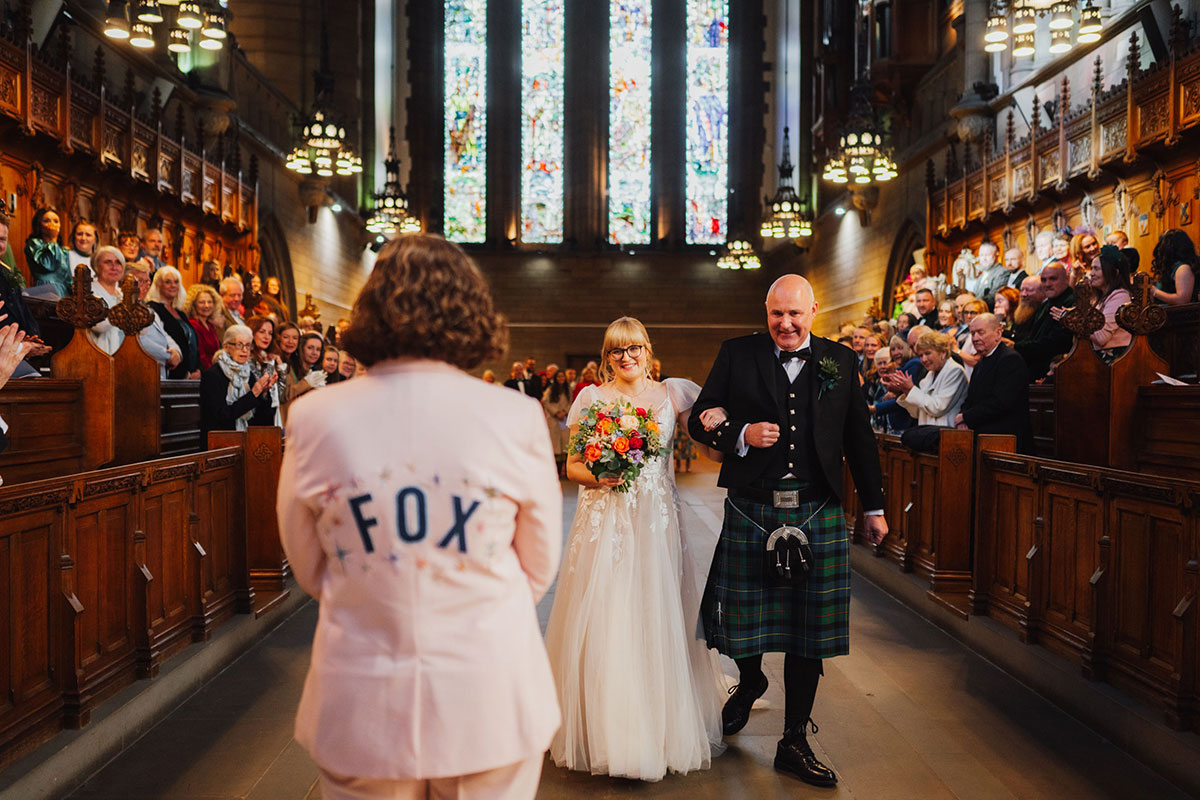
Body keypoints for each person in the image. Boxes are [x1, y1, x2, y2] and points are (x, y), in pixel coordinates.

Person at [277, 233, 561, 800]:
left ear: (369, 310)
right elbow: (538, 563)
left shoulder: (314, 415)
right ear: (471, 312)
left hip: (363, 694)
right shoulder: (515, 415)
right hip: (488, 689)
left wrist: (376, 582)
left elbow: (308, 565)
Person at [687, 275, 887, 787]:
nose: (786, 324)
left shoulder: (839, 360)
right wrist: (740, 435)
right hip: (754, 507)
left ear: (813, 310)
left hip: (816, 510)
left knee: (808, 633)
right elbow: (698, 422)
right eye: (777, 314)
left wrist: (874, 507)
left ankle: (794, 739)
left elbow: (859, 439)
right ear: (766, 311)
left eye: (796, 314)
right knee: (741, 620)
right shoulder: (737, 353)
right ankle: (750, 679)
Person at [545, 316, 724, 782]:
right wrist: (598, 476)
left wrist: (726, 428)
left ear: (648, 349)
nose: (626, 358)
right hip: (605, 521)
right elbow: (573, 469)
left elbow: (710, 448)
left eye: (633, 349)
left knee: (655, 613)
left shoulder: (675, 394)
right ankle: (607, 730)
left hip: (656, 522)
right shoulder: (592, 398)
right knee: (607, 612)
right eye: (616, 351)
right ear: (606, 358)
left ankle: (657, 725)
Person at [956, 314, 1033, 454]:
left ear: (998, 333)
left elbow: (1001, 403)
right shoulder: (981, 363)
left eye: (981, 332)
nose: (975, 338)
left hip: (1005, 439)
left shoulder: (1010, 360)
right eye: (972, 333)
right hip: (982, 434)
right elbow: (970, 398)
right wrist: (963, 418)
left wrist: (966, 417)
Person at [198, 324, 277, 441]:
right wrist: (253, 394)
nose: (245, 350)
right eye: (239, 345)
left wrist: (264, 394)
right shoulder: (213, 375)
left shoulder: (249, 374)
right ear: (226, 347)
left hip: (246, 441)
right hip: (219, 443)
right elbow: (221, 416)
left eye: (248, 345)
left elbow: (263, 420)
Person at [885, 330, 969, 431]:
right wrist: (904, 391)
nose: (924, 359)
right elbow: (917, 412)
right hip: (927, 433)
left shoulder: (955, 371)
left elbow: (937, 408)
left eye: (928, 353)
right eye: (920, 355)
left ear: (942, 352)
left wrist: (911, 389)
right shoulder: (929, 375)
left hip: (945, 435)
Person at [1014, 262, 1075, 381]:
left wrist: (1015, 346)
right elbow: (1034, 338)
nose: (1047, 284)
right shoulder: (1046, 304)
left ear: (1066, 279)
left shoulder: (1071, 304)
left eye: (1053, 279)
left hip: (1056, 375)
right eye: (1043, 280)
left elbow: (1055, 344)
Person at [125, 261, 183, 377]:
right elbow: (138, 341)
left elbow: (165, 335)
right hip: (140, 370)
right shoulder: (124, 308)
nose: (145, 286)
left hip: (160, 371)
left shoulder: (149, 309)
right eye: (140, 281)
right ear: (126, 282)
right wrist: (167, 356)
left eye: (147, 281)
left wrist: (176, 352)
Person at [1080, 245, 1133, 362]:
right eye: (1091, 268)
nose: (1091, 274)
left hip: (1116, 359)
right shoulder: (1102, 297)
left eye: (1096, 269)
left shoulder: (1120, 297)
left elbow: (1101, 338)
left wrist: (1076, 323)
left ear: (1115, 272)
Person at [147, 267, 201, 379]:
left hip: (190, 374)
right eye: (168, 282)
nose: (173, 285)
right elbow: (163, 340)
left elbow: (191, 342)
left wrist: (197, 370)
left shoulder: (180, 312)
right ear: (158, 285)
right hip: (171, 371)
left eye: (176, 282)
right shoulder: (153, 309)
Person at [24, 208, 72, 297]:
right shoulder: (34, 244)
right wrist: (53, 239)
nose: (52, 224)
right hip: (45, 292)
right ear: (39, 225)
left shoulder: (64, 251)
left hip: (63, 294)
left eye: (56, 221)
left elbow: (68, 279)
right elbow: (48, 264)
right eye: (47, 221)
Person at [246, 316, 284, 426]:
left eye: (270, 333)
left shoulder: (271, 358)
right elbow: (261, 389)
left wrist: (280, 366)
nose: (266, 337)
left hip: (271, 411)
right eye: (262, 332)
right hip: (254, 415)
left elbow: (280, 394)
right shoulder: (248, 358)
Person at [88, 246, 126, 355]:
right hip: (100, 353)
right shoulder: (90, 291)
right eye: (108, 262)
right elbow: (98, 326)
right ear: (96, 266)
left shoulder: (123, 293)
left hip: (126, 352)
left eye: (118, 262)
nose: (114, 267)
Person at [1150, 228, 1198, 306]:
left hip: (1180, 316)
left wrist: (1155, 292)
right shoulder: (1172, 267)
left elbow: (1183, 300)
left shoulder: (1183, 269)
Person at [286, 332, 327, 415]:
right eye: (310, 348)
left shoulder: (316, 372)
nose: (314, 352)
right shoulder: (289, 368)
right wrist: (306, 383)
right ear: (302, 348)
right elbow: (285, 396)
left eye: (318, 349)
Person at [186, 284, 226, 370]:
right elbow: (201, 356)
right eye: (202, 302)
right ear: (193, 305)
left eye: (209, 302)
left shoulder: (210, 325)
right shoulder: (193, 325)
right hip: (205, 372)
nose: (207, 306)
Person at [540, 370, 571, 476]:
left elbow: (571, 402)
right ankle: (555, 472)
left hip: (564, 419)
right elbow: (546, 402)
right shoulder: (550, 389)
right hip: (554, 420)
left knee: (565, 445)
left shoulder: (568, 390)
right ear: (556, 378)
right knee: (555, 446)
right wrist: (556, 412)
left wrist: (565, 412)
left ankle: (566, 471)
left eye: (562, 376)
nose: (561, 379)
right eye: (559, 377)